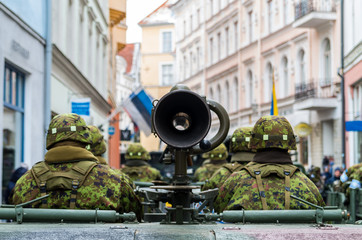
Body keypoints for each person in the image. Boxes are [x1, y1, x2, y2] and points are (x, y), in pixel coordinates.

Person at [11, 113, 142, 221]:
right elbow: (136, 218)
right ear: (86, 138)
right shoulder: (115, 181)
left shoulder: (24, 182)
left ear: (50, 138)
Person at [214, 115, 325, 212]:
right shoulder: (307, 185)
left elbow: (217, 211)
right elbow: (325, 219)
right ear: (290, 143)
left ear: (254, 142)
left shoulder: (235, 181)